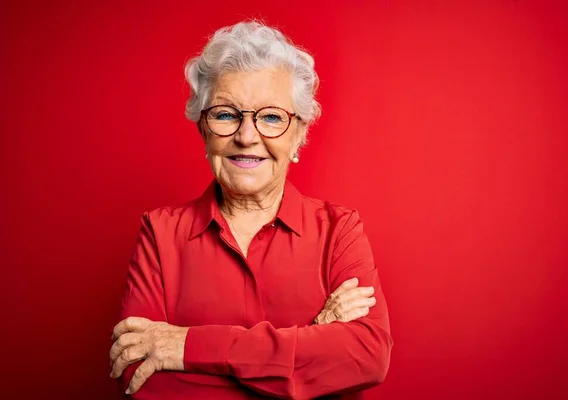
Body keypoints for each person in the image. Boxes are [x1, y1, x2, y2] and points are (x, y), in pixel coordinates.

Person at [109, 20, 393, 399]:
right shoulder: (160, 234)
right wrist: (312, 340)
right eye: (226, 114)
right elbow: (140, 380)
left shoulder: (339, 230)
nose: (246, 136)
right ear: (203, 129)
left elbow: (366, 358)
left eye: (272, 117)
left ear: (300, 133)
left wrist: (188, 347)